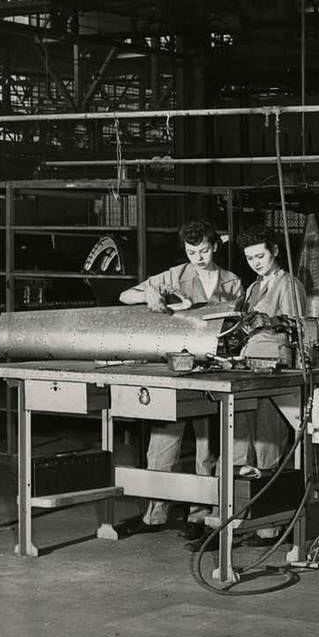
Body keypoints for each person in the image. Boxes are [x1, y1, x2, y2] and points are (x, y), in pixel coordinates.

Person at [115, 219, 244, 537]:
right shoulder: (176, 275)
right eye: (191, 251)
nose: (197, 257)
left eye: (202, 250)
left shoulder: (232, 282)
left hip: (215, 372)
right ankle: (155, 513)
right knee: (162, 445)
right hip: (177, 369)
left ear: (214, 247)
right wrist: (150, 296)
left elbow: (239, 324)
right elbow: (124, 296)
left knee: (207, 447)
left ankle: (199, 516)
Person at [190, 225, 307, 551]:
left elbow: (302, 327)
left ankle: (268, 527)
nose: (255, 262)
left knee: (267, 447)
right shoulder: (254, 287)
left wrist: (269, 322)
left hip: (276, 375)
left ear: (275, 252)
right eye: (250, 258)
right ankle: (233, 522)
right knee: (239, 450)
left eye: (260, 256)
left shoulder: (289, 285)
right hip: (247, 373)